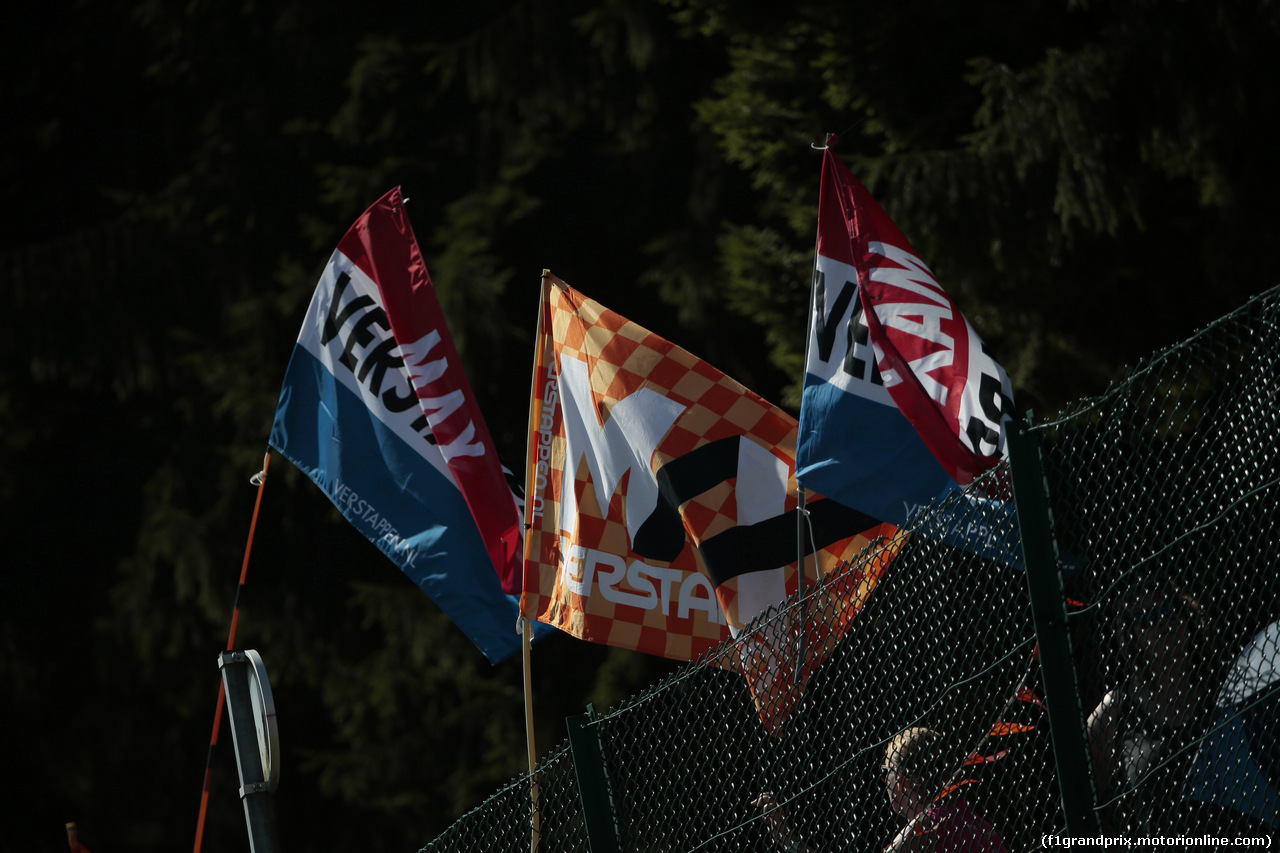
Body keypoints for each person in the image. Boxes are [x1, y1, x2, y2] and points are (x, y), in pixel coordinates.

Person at [1085, 578, 1219, 834]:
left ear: (1185, 617)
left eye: (1168, 610)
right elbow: (1075, 798)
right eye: (1145, 618)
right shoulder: (1118, 706)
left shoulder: (1221, 694)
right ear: (1131, 636)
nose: (1161, 622)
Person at [755, 727, 1009, 852]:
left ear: (903, 781)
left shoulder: (922, 829)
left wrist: (789, 841)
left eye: (885, 772)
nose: (882, 782)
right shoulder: (964, 814)